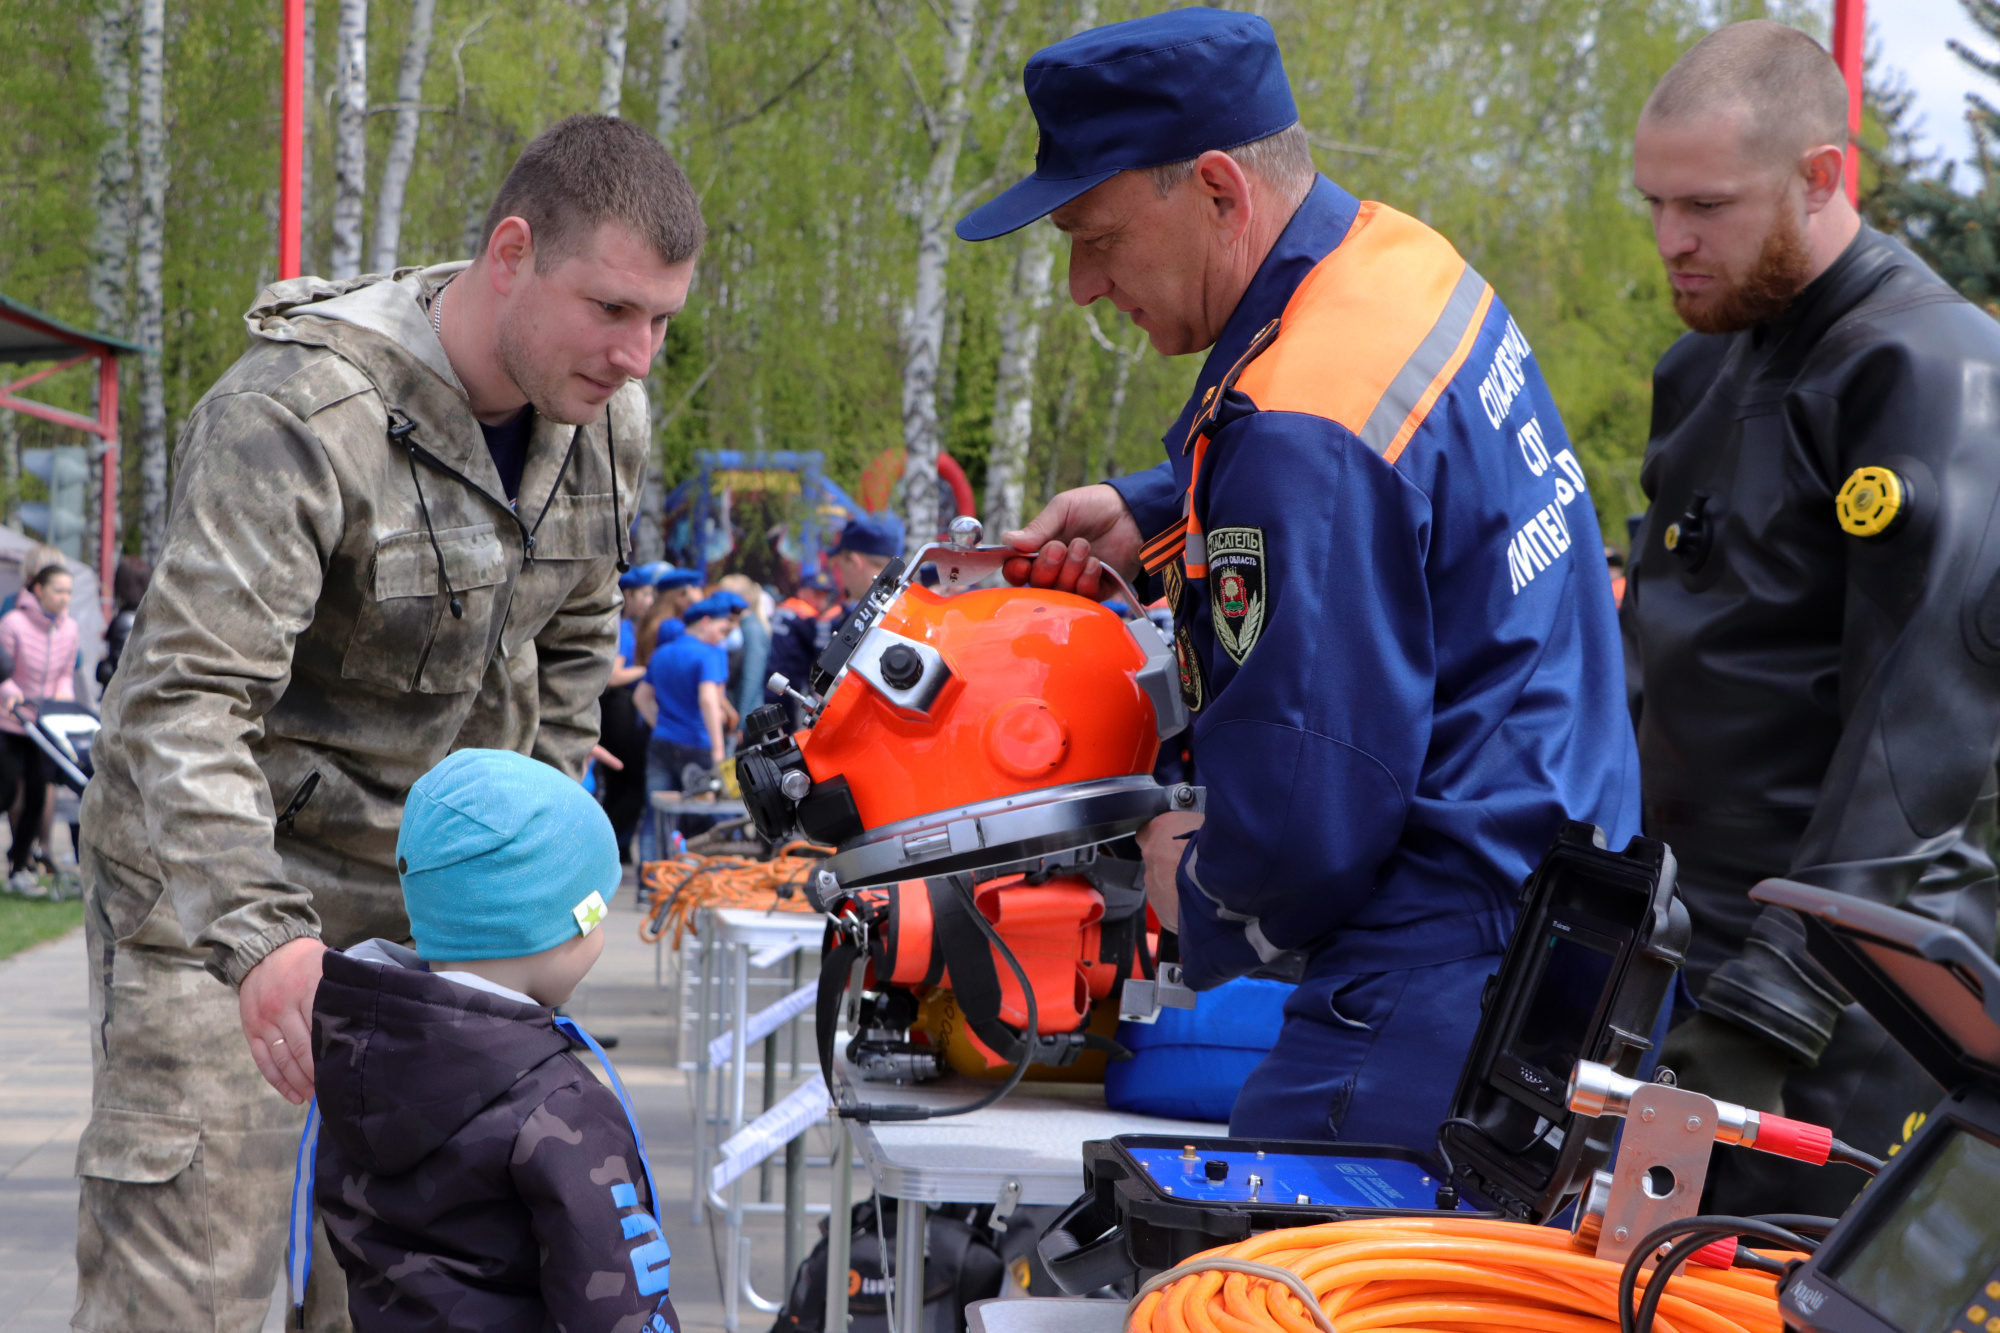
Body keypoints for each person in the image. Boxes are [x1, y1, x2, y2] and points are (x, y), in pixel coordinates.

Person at [961, 9, 1638, 1148]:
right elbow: (1384, 466)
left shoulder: (1302, 431)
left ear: (1217, 190)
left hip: (1441, 972)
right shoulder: (1396, 263)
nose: (1083, 284)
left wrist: (1203, 894)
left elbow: (1302, 819)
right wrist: (1150, 506)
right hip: (1560, 899)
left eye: (1098, 235)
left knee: (1256, 1284)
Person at [71, 114, 703, 1333]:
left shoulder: (598, 426)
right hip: (222, 898)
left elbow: (575, 640)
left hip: (437, 916)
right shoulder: (302, 416)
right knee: (190, 1278)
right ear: (510, 250)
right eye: (611, 309)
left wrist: (527, 870)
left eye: (660, 320)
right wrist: (260, 944)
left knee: (408, 1287)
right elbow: (181, 702)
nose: (637, 355)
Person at [1622, 21, 2000, 1215]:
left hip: (1848, 1009)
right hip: (1685, 949)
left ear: (1820, 177)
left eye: (1706, 205)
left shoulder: (1931, 375)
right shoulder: (1705, 368)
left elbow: (1922, 744)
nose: (1670, 239)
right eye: (1653, 203)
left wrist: (1770, 1005)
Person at [312, 748, 677, 1333]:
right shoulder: (558, 1105)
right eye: (596, 914)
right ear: (552, 930)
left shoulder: (357, 1053)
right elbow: (616, 1304)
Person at [764, 514, 902, 715]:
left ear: (854, 562)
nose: (841, 577)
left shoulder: (872, 615)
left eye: (840, 565)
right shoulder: (910, 608)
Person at [635, 595, 736, 862]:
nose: (721, 637)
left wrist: (663, 725)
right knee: (706, 814)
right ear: (704, 622)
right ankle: (703, 878)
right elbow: (708, 700)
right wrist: (717, 750)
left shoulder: (661, 653)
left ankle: (649, 885)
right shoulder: (708, 654)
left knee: (656, 813)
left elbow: (641, 698)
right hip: (698, 744)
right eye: (720, 629)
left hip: (662, 744)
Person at [0, 559, 79, 888]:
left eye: (69, 592)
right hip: (9, 720)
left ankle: (19, 865)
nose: (64, 598)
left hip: (42, 726)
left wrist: (63, 695)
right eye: (58, 590)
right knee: (5, 792)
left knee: (37, 795)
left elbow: (64, 673)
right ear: (38, 590)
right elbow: (2, 671)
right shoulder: (13, 623)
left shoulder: (70, 628)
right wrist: (12, 694)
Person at [599, 565, 658, 862]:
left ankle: (614, 846)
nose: (649, 601)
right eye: (645, 594)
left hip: (616, 708)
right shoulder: (621, 626)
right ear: (630, 595)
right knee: (630, 781)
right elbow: (613, 676)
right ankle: (610, 844)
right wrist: (649, 670)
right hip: (618, 708)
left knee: (620, 784)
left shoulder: (625, 625)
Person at [765, 569, 839, 725]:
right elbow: (820, 658)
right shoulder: (807, 618)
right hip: (786, 687)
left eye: (824, 596)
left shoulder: (783, 609)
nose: (821, 601)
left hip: (769, 680)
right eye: (816, 594)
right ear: (802, 592)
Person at [97, 555, 153, 687]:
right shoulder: (148, 615)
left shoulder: (126, 621)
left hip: (122, 695)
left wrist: (104, 667)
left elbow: (123, 666)